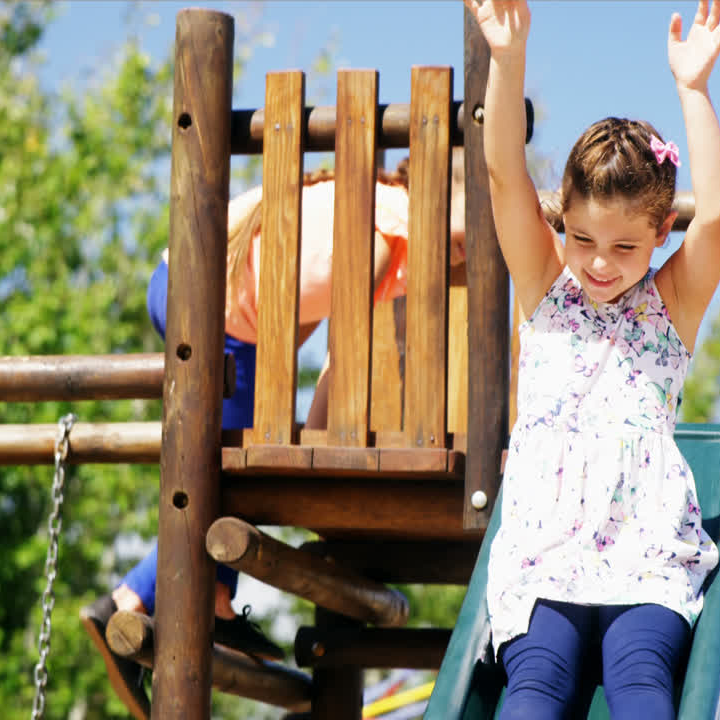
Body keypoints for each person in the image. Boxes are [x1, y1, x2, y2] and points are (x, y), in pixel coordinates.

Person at [81, 155, 468, 714]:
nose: (463, 253)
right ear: (437, 200)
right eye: (462, 236)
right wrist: (313, 434)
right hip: (204, 305)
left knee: (230, 476)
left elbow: (304, 315)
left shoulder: (382, 209)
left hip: (211, 304)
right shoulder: (392, 228)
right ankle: (123, 599)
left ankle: (217, 605)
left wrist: (288, 410)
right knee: (227, 486)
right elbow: (347, 346)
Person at [465, 0, 720, 717]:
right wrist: (508, 60)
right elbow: (500, 176)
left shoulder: (670, 303)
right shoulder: (544, 289)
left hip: (645, 554)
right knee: (535, 683)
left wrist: (693, 90)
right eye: (583, 238)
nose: (601, 263)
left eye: (625, 247)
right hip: (545, 553)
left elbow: (719, 216)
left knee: (640, 676)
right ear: (562, 218)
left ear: (660, 233)